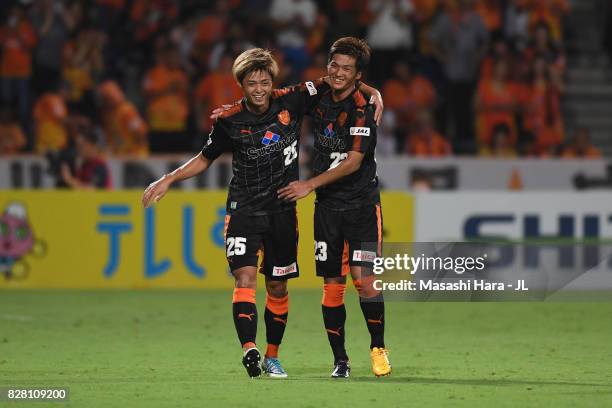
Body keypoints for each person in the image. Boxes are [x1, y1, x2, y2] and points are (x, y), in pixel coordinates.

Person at [143, 48, 384, 378]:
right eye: (251, 83)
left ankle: (273, 355)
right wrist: (169, 178)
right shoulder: (229, 120)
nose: (259, 89)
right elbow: (203, 158)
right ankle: (249, 349)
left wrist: (374, 92)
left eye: (265, 82)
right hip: (243, 209)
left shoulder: (293, 100)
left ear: (273, 83)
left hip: (282, 212)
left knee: (277, 288)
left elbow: (337, 82)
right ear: (240, 84)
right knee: (244, 276)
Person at [277, 37, 391, 378]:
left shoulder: (362, 109)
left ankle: (377, 348)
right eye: (334, 66)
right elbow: (281, 96)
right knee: (332, 285)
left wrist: (308, 185)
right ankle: (340, 360)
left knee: (364, 280)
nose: (338, 73)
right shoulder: (320, 93)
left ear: (358, 76)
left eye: (347, 69)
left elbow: (354, 161)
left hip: (361, 206)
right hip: (328, 208)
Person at [61, 121, 111, 189]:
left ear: (91, 146)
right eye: (78, 146)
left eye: (81, 146)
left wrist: (68, 179)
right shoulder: (84, 165)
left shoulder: (100, 166)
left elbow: (91, 190)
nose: (79, 149)